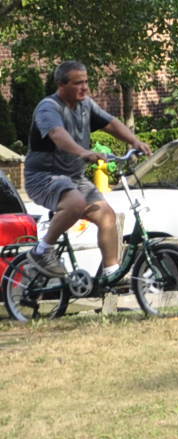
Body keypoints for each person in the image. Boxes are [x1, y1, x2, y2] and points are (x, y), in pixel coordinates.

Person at [22, 60, 151, 283]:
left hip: (73, 178)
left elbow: (110, 123)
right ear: (62, 85)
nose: (85, 87)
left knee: (107, 215)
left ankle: (112, 273)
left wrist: (134, 141)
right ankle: (41, 251)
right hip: (44, 177)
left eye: (86, 82)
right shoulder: (49, 107)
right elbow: (57, 135)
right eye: (78, 83)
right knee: (75, 203)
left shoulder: (85, 105)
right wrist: (83, 152)